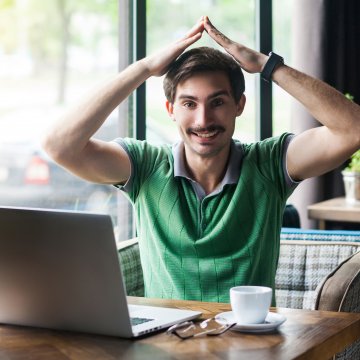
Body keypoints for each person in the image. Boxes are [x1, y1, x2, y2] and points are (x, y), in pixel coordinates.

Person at [42, 16, 360, 303]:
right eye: (189, 104)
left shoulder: (269, 164)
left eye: (217, 102)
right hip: (166, 346)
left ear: (240, 105)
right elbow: (59, 145)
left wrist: (268, 66)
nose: (203, 119)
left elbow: (353, 130)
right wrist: (143, 69)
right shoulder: (145, 167)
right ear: (171, 110)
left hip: (250, 346)